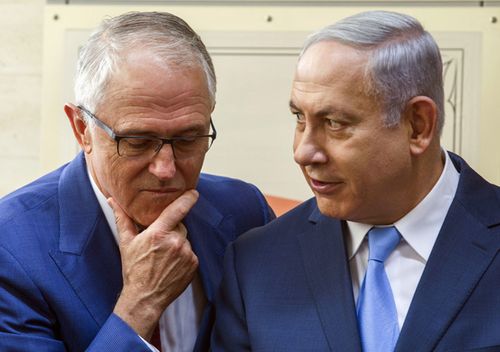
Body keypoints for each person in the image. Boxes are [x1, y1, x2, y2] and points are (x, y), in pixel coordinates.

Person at [212, 10, 500, 351]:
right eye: (299, 118)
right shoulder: (255, 265)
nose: (304, 153)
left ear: (418, 125)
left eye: (334, 122)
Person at [0, 11, 274, 352]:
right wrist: (140, 305)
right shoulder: (10, 247)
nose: (165, 168)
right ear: (82, 130)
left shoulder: (245, 213)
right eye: (137, 141)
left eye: (188, 139)